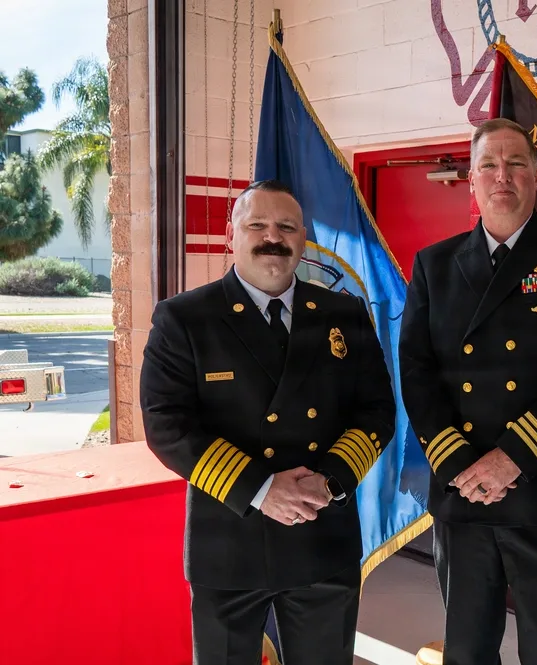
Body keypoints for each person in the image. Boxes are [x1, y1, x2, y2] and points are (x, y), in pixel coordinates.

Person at [139, 179, 395, 665]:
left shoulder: (344, 314)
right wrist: (261, 489)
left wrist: (332, 482)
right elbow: (166, 424)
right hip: (230, 542)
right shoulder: (185, 318)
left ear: (302, 239)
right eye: (256, 224)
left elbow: (376, 410)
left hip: (322, 534)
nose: (271, 236)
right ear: (230, 237)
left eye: (286, 227)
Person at [398, 117, 537, 665]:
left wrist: (514, 459)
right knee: (468, 648)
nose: (503, 175)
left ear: (536, 175)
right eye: (490, 165)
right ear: (472, 180)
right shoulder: (435, 264)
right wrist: (458, 462)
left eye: (516, 163)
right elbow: (417, 369)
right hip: (464, 487)